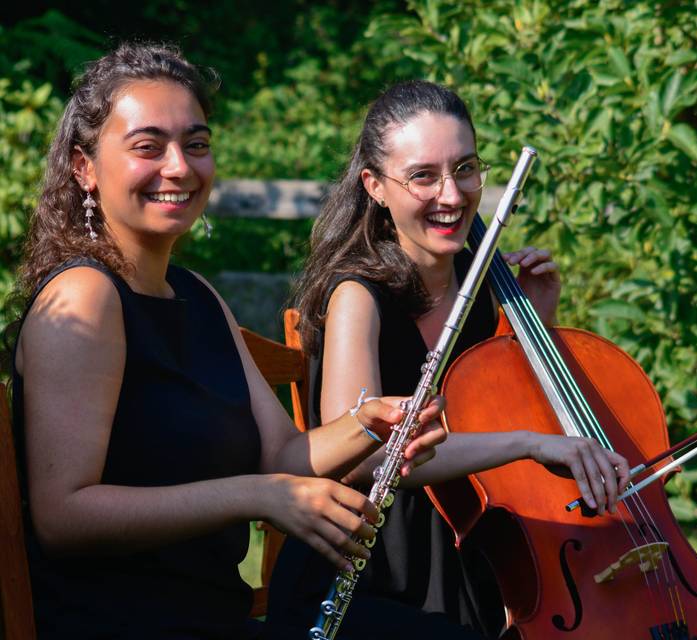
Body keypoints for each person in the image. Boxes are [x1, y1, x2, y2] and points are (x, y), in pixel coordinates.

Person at [6, 43, 445, 639]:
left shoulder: (195, 293)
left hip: (219, 620)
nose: (180, 166)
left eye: (196, 144)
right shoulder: (83, 296)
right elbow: (64, 515)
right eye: (147, 145)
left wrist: (371, 423)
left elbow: (284, 456)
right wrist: (256, 496)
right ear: (84, 166)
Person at [268, 80, 629, 639]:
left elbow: (533, 422)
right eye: (423, 176)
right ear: (375, 186)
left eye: (465, 168)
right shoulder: (357, 295)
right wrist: (528, 445)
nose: (453, 195)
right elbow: (366, 459)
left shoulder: (487, 290)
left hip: (479, 551)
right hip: (370, 570)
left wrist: (538, 324)